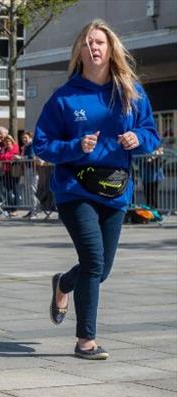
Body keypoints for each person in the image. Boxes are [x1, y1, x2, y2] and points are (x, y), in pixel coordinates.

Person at [33, 19, 159, 360]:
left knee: (100, 270)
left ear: (111, 48)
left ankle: (63, 284)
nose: (94, 47)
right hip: (74, 189)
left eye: (100, 42)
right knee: (92, 261)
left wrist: (138, 139)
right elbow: (41, 145)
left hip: (115, 191)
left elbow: (151, 134)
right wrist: (76, 146)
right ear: (79, 51)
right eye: (87, 42)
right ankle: (85, 341)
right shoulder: (65, 97)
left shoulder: (130, 91)